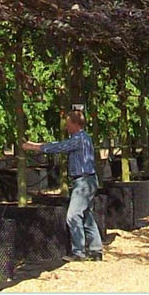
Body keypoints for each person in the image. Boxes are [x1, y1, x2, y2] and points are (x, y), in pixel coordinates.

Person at [22, 110, 103, 262]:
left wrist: (34, 147)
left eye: (68, 124)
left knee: (73, 215)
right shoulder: (85, 138)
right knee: (86, 215)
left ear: (75, 124)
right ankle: (95, 250)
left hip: (83, 182)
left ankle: (78, 252)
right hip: (89, 181)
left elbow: (59, 146)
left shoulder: (79, 139)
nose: (66, 127)